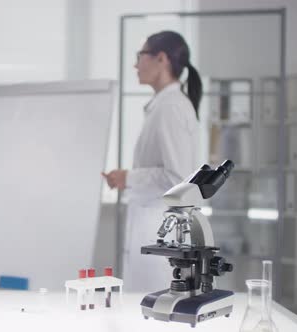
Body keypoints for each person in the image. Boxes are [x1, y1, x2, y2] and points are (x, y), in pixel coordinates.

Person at [103, 31, 201, 292]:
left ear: (161, 59)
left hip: (162, 229)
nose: (136, 65)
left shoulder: (171, 108)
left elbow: (177, 178)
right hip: (155, 225)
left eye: (140, 56)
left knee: (153, 307)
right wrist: (128, 178)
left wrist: (129, 178)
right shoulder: (163, 106)